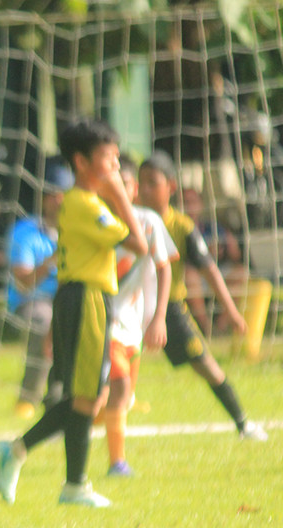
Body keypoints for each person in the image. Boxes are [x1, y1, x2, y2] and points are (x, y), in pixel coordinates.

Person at [0, 118, 148, 508]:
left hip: (88, 298)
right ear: (81, 162)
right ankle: (51, 472)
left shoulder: (87, 204)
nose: (114, 167)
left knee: (87, 397)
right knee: (87, 396)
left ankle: (49, 470)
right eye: (107, 159)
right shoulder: (82, 204)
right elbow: (139, 244)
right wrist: (119, 195)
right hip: (85, 299)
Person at [135, 150, 267, 441]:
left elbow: (209, 270)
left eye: (151, 182)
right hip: (130, 305)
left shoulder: (182, 227)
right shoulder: (130, 219)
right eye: (140, 182)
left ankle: (243, 423)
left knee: (206, 364)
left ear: (170, 186)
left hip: (168, 309)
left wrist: (231, 311)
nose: (144, 189)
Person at [101, 156, 177, 477]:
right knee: (118, 391)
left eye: (124, 184)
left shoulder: (148, 222)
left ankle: (70, 417)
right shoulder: (99, 221)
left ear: (131, 190)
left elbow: (164, 267)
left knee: (120, 398)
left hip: (133, 326)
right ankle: (117, 463)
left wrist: (158, 318)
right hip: (105, 324)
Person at [6, 156, 73, 419]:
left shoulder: (78, 229)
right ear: (46, 198)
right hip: (32, 300)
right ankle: (28, 397)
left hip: (68, 297)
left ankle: (67, 398)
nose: (62, 200)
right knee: (44, 321)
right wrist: (54, 258)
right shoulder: (25, 232)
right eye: (57, 195)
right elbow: (23, 281)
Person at [180, 186, 247, 336]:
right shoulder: (179, 226)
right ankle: (206, 328)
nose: (189, 206)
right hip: (193, 275)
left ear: (200, 205)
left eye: (192, 201)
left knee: (241, 273)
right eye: (185, 202)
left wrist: (227, 246)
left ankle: (220, 327)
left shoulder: (213, 227)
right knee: (190, 275)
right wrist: (203, 254)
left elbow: (236, 255)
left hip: (217, 271)